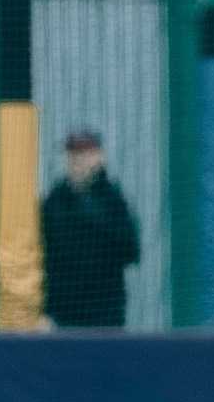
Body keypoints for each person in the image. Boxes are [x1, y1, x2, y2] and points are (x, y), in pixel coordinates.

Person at [41, 127, 140, 329]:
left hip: (105, 317)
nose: (76, 158)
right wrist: (45, 312)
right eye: (71, 152)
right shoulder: (55, 200)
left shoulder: (111, 199)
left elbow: (131, 251)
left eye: (83, 152)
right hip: (63, 318)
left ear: (98, 157)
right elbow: (44, 258)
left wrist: (94, 214)